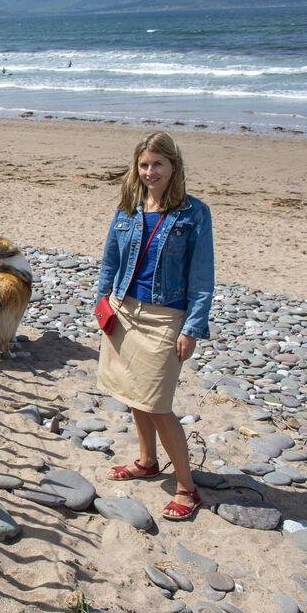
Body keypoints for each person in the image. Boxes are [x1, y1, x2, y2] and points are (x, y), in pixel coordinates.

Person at [95, 131, 214, 522]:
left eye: (157, 164)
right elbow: (110, 259)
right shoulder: (127, 209)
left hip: (166, 319)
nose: (150, 172)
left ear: (173, 166)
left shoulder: (194, 213)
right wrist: (102, 300)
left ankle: (186, 487)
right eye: (144, 165)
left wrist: (192, 328)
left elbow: (202, 278)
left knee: (159, 405)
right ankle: (147, 462)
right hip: (124, 310)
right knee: (133, 394)